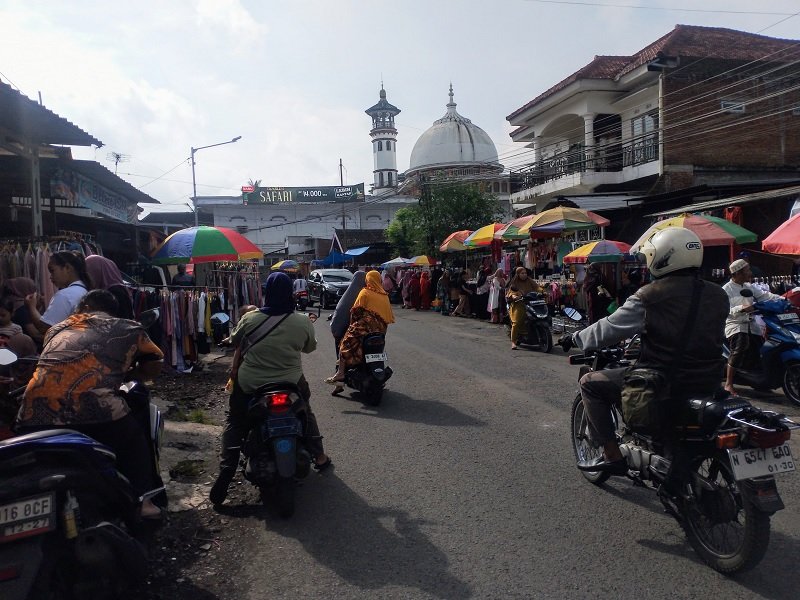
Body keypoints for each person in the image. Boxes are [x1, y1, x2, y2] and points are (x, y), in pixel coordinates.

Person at [558, 229, 728, 474]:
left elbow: (610, 327)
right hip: (709, 380)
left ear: (662, 258)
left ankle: (612, 456)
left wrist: (575, 336)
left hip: (664, 380)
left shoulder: (651, 295)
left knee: (589, 383)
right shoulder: (718, 294)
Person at [15, 289, 165, 517]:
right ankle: (142, 500)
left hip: (33, 413)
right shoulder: (130, 328)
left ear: (85, 308)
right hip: (96, 414)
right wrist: (132, 376)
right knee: (135, 440)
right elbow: (156, 360)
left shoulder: (58, 328)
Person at [210, 272, 330, 506]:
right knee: (305, 412)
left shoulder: (250, 319)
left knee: (235, 421)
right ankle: (320, 456)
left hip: (251, 384)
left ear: (267, 293)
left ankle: (227, 470)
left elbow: (235, 341)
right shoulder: (302, 321)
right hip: (291, 383)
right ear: (290, 294)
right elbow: (309, 348)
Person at [722, 258, 784, 395]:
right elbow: (726, 310)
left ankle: (758, 381)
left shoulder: (749, 287)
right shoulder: (726, 289)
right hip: (735, 324)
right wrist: (742, 308)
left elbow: (765, 296)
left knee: (763, 349)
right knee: (740, 346)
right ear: (737, 273)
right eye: (747, 271)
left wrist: (785, 298)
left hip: (752, 324)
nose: (750, 273)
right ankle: (728, 383)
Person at [324, 270, 395, 384]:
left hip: (364, 328)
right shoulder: (385, 296)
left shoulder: (365, 292)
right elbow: (388, 317)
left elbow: (355, 311)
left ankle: (340, 372)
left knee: (345, 343)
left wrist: (352, 324)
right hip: (380, 330)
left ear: (368, 280)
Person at [24, 250, 91, 335]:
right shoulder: (84, 290)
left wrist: (31, 307)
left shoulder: (65, 295)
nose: (50, 277)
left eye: (52, 271)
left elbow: (45, 328)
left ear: (67, 268)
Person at [329, 271, 367, 395]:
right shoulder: (366, 293)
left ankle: (339, 380)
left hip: (343, 328)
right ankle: (340, 376)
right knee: (344, 349)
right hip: (356, 329)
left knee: (341, 352)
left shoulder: (349, 293)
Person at [86, 255, 134, 320]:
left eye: (90, 273)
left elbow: (122, 321)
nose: (87, 278)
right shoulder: (113, 288)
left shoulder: (115, 293)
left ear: (97, 271)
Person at [2, 277, 43, 347]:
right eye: (33, 289)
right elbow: (35, 334)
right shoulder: (21, 308)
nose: (35, 293)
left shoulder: (10, 302)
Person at [506, 267, 540, 349]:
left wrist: (543, 292)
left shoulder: (529, 280)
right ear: (518, 274)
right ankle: (513, 342)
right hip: (518, 304)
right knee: (516, 323)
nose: (524, 275)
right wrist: (514, 296)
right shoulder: (515, 283)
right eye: (522, 273)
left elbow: (537, 287)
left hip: (530, 303)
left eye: (525, 273)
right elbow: (511, 292)